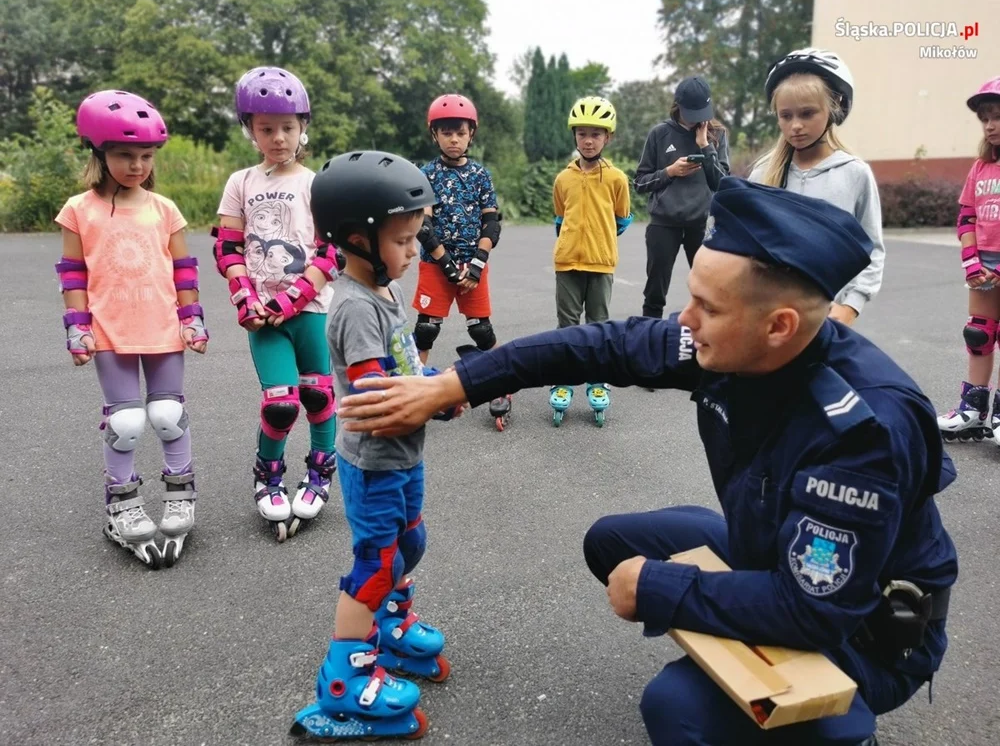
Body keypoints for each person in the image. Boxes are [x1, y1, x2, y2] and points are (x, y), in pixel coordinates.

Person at [335, 177, 958, 746]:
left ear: (779, 326)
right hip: (778, 554)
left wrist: (662, 588)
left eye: (708, 307)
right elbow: (597, 345)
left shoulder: (861, 433)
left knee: (676, 708)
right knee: (612, 544)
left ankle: (838, 727)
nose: (686, 320)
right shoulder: (739, 342)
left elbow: (815, 609)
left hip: (863, 631)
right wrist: (456, 384)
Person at [290, 151, 467, 741]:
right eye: (403, 240)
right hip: (374, 463)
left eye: (415, 238)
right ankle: (344, 682)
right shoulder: (356, 308)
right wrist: (436, 398)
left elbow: (402, 368)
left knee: (409, 542)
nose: (415, 251)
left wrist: (438, 381)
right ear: (358, 239)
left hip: (402, 457)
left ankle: (389, 627)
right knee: (376, 565)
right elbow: (377, 395)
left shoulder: (382, 292)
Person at [55, 90, 208, 569]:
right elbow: (73, 273)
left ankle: (180, 495)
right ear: (99, 153)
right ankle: (122, 503)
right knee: (124, 422)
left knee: (168, 414)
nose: (137, 165)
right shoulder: (79, 210)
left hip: (163, 327)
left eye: (146, 155)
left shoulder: (165, 209)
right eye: (124, 154)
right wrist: (76, 327)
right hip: (110, 333)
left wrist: (192, 317)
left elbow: (183, 269)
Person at [212, 66, 341, 542]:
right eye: (266, 128)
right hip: (263, 318)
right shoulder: (241, 182)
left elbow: (330, 253)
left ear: (303, 126)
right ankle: (268, 477)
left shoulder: (317, 183)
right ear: (251, 130)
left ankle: (320, 472)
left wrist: (291, 298)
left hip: (309, 310)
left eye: (287, 127)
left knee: (318, 396)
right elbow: (227, 248)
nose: (278, 137)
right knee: (281, 405)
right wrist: (245, 297)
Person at [749, 48, 885, 326]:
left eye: (807, 113)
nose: (796, 125)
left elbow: (871, 250)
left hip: (828, 320)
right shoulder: (762, 173)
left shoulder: (854, 173)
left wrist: (850, 307)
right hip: (768, 318)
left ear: (833, 108)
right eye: (786, 116)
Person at [412, 94, 511, 430]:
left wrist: (478, 263)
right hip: (436, 264)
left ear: (471, 134)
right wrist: (447, 266)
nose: (453, 139)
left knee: (481, 330)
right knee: (426, 329)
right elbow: (424, 226)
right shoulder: (425, 174)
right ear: (434, 135)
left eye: (460, 132)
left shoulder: (481, 175)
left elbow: (491, 224)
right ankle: (415, 390)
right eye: (446, 132)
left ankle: (502, 383)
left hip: (472, 265)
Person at [550, 95, 632, 426]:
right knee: (567, 326)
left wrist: (600, 240)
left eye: (595, 134)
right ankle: (564, 379)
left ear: (607, 137)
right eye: (582, 133)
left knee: (598, 325)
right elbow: (560, 218)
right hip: (567, 262)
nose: (588, 140)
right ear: (574, 136)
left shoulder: (617, 179)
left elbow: (622, 219)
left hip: (601, 263)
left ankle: (597, 381)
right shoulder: (563, 179)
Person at [634, 76, 730, 322]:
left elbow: (722, 184)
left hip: (701, 224)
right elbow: (640, 183)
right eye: (692, 113)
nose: (697, 119)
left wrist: (705, 146)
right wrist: (669, 172)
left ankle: (707, 340)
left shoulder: (717, 134)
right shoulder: (659, 133)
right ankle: (648, 337)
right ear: (678, 106)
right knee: (654, 293)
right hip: (664, 223)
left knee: (710, 292)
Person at [937, 76, 1000, 442]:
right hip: (984, 265)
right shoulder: (980, 167)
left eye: (997, 117)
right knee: (978, 333)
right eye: (985, 118)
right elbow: (967, 216)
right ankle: (974, 410)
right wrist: (972, 261)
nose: (990, 125)